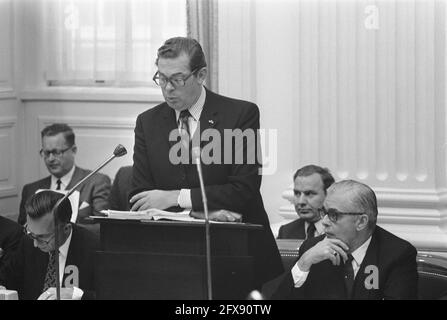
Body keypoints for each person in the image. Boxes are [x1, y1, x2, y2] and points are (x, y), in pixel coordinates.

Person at [129, 37, 283, 287]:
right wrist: (200, 209)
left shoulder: (240, 115)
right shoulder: (148, 122)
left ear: (201, 75)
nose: (168, 88)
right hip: (171, 258)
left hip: (234, 255)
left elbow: (243, 189)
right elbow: (142, 197)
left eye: (177, 79)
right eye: (162, 78)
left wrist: (175, 198)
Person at [272, 180, 418, 299]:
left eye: (334, 215)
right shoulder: (312, 248)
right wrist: (303, 263)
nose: (325, 221)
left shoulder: (397, 255)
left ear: (361, 222)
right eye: (324, 212)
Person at [0, 190, 99, 300]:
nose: (35, 244)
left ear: (66, 229)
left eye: (42, 237)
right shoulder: (27, 242)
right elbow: (9, 281)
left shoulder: (95, 248)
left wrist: (78, 295)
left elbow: (114, 294)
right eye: (31, 234)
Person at [18, 123, 111, 232]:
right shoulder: (30, 190)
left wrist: (64, 231)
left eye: (57, 152)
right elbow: (21, 232)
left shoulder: (96, 182)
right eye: (47, 153)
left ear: (73, 150)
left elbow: (103, 228)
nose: (51, 159)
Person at [278, 165, 335, 239]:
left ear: (328, 194)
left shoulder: (342, 232)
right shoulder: (286, 232)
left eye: (309, 194)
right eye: (297, 193)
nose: (301, 201)